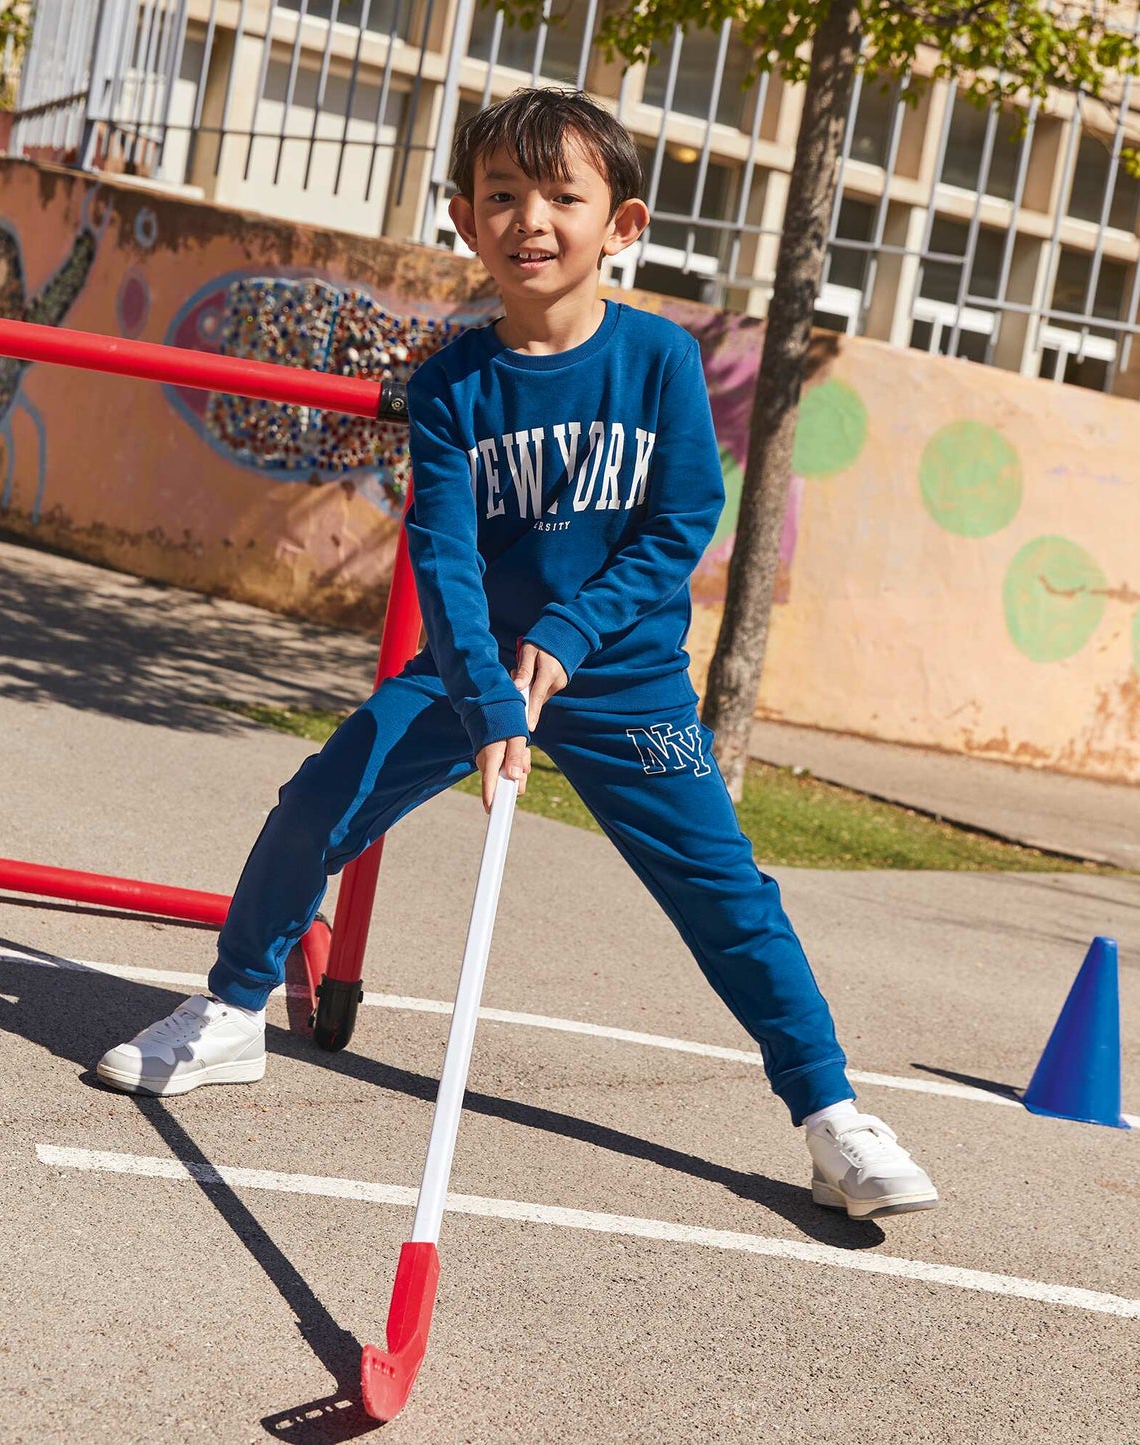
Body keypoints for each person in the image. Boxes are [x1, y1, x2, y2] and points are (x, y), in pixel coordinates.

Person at [96, 87, 938, 1221]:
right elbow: (442, 560)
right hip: (469, 677)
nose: (528, 219)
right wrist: (490, 697)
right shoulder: (452, 385)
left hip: (623, 680)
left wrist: (566, 635)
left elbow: (678, 521)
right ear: (462, 215)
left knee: (727, 894)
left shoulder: (657, 362)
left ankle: (829, 1113)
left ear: (621, 224)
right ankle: (232, 1010)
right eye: (500, 195)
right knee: (312, 806)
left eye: (560, 196)